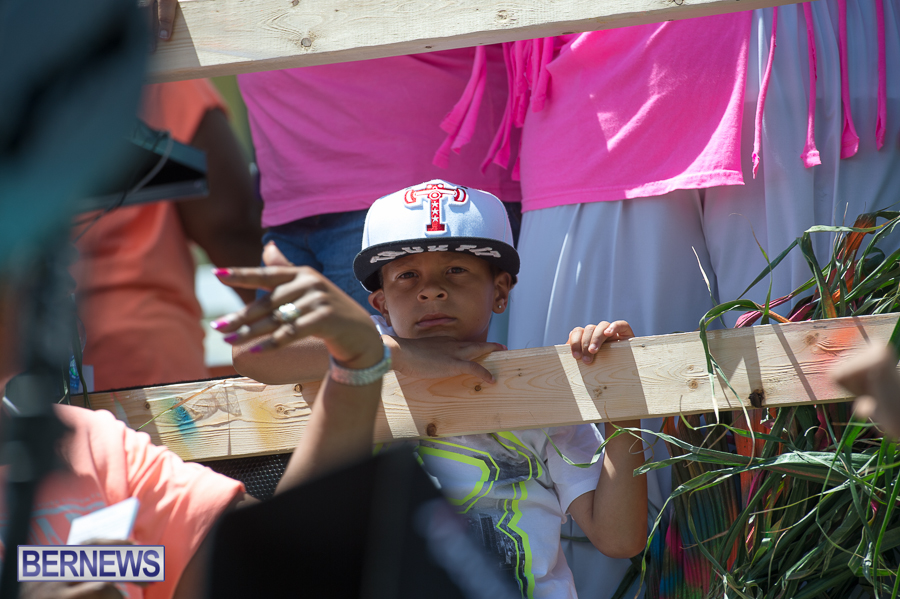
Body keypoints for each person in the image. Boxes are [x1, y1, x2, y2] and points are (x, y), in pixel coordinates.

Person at [214, 180, 648, 598]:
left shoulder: (542, 390)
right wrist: (397, 354)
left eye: (456, 270)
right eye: (407, 275)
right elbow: (249, 350)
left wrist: (619, 394)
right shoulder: (360, 357)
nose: (432, 291)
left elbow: (619, 539)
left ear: (500, 291)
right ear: (381, 304)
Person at [71, 79, 262, 392]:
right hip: (147, 357)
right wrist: (284, 318)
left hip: (21, 360)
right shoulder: (161, 74)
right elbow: (230, 225)